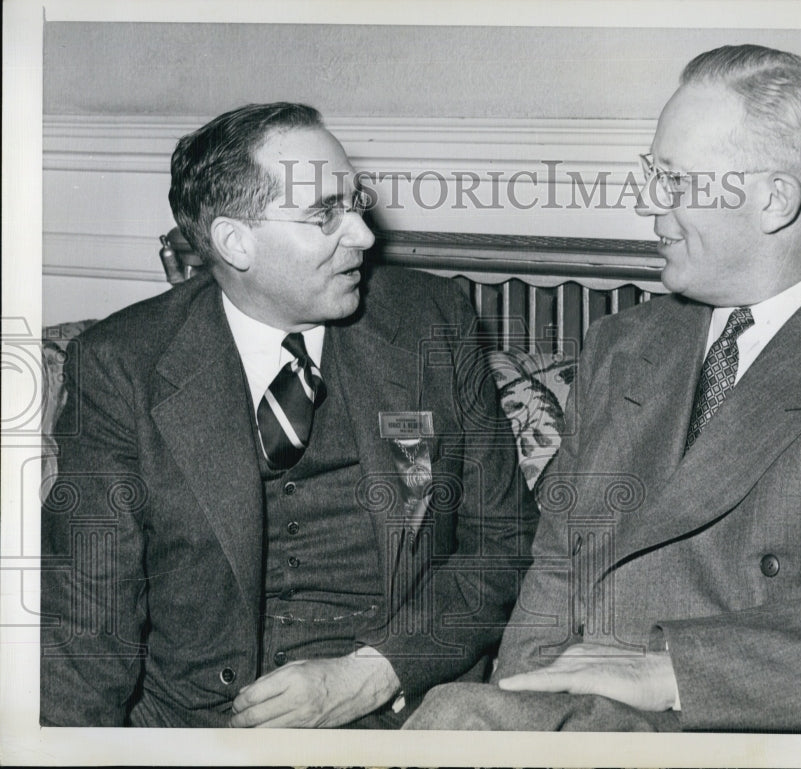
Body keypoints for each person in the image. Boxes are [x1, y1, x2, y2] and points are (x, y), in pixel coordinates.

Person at [404, 45, 801, 733]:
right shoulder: (624, 345)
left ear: (774, 199)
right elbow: (556, 565)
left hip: (756, 730)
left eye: (673, 181)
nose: (649, 203)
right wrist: (525, 702)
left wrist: (670, 669)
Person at [40, 102, 536, 728]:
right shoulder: (119, 367)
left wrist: (378, 671)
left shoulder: (429, 321)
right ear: (234, 241)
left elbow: (504, 543)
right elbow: (89, 620)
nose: (363, 235)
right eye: (325, 214)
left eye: (355, 203)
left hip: (399, 712)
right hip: (196, 728)